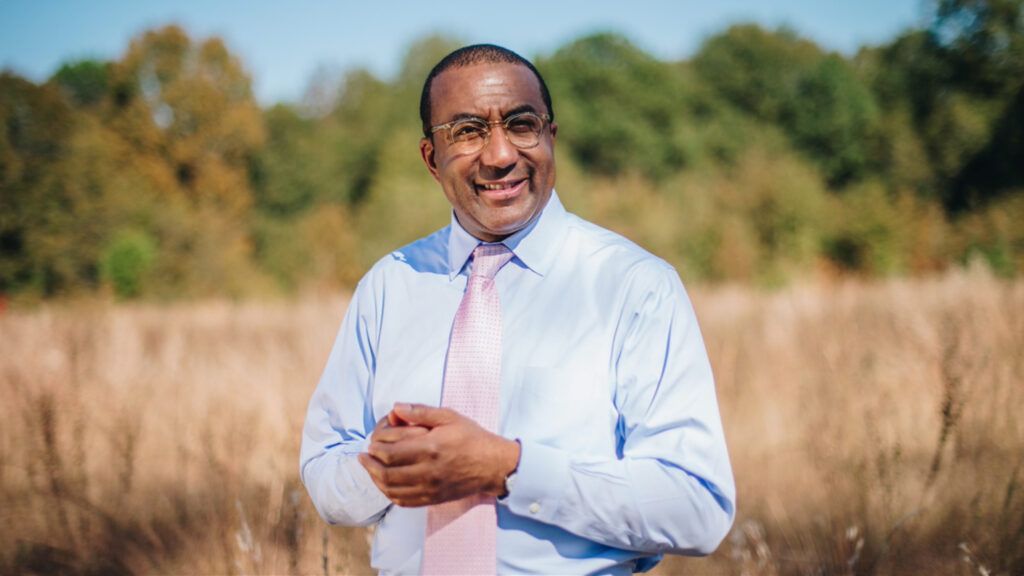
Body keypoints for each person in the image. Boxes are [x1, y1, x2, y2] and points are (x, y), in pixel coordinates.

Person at [300, 44, 735, 575]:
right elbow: (324, 473)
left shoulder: (634, 287)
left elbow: (698, 507)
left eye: (521, 124)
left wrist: (505, 468)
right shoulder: (389, 286)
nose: (500, 154)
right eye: (467, 131)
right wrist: (384, 469)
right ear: (431, 158)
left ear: (551, 137)